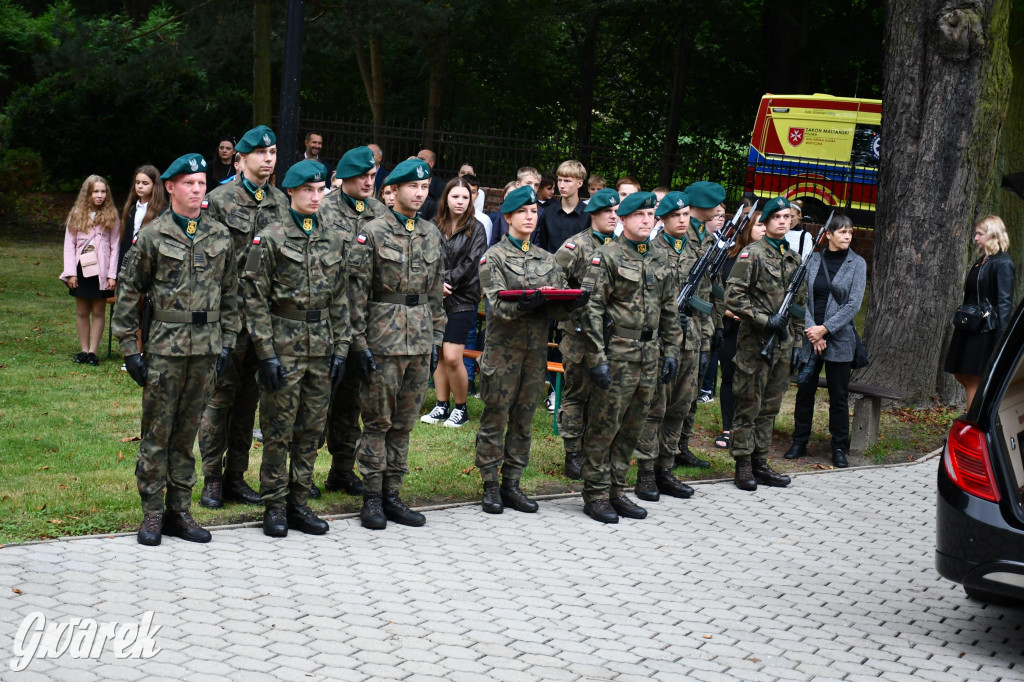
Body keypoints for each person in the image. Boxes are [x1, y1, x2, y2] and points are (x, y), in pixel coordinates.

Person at [113, 153, 239, 546]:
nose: (197, 189)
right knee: (157, 432)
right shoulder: (153, 235)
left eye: (202, 183)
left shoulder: (219, 236)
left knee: (186, 435)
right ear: (170, 187)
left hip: (206, 350)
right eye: (189, 183)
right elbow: (129, 291)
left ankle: (179, 511)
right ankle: (152, 512)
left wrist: (228, 343)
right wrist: (129, 348)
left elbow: (232, 293)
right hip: (165, 349)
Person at [242, 159, 348, 537]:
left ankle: (298, 501)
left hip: (321, 347)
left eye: (321, 190)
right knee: (278, 429)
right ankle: (273, 505)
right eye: (308, 190)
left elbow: (340, 298)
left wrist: (342, 347)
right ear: (291, 191)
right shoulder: (269, 237)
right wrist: (265, 352)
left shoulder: (334, 238)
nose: (316, 196)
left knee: (311, 430)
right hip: (283, 346)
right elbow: (253, 297)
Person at [349, 158, 446, 530]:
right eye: (412, 187)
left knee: (404, 424)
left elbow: (436, 292)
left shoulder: (431, 233)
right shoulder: (372, 232)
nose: (419, 194)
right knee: (378, 421)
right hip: (383, 339)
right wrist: (358, 343)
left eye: (424, 188)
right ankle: (372, 497)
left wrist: (437, 336)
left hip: (420, 339)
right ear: (394, 190)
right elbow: (356, 293)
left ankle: (393, 494)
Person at [198, 125, 290, 509]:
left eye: (272, 152)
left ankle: (237, 476)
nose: (268, 158)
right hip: (228, 317)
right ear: (242, 159)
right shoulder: (219, 200)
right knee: (219, 399)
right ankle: (212, 480)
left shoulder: (281, 202)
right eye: (261, 152)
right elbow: (205, 263)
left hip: (264, 319)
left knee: (250, 399)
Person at [475, 186, 579, 514]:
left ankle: (512, 483)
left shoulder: (546, 259)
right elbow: (497, 305)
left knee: (524, 418)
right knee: (495, 416)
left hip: (534, 353)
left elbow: (559, 307)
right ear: (507, 217)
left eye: (534, 212)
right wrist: (528, 300)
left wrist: (571, 301)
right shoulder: (493, 256)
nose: (529, 217)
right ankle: (490, 483)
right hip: (503, 351)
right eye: (522, 212)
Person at [579, 192, 680, 524]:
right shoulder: (606, 257)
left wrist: (670, 351)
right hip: (617, 354)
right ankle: (595, 494)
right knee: (604, 427)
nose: (646, 220)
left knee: (633, 427)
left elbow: (669, 310)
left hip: (649, 356)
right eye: (639, 214)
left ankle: (617, 490)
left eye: (650, 214)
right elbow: (591, 310)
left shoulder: (660, 258)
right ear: (622, 219)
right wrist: (597, 358)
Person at [315, 146, 389, 497]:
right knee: (316, 399)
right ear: (344, 177)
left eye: (373, 176)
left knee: (351, 400)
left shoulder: (379, 212)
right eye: (363, 176)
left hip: (362, 321)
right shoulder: (324, 209)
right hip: (325, 318)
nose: (369, 182)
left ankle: (342, 470)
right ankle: (299, 473)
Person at [725, 196, 805, 491]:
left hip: (783, 345)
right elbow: (733, 297)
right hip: (754, 344)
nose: (783, 221)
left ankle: (760, 461)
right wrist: (762, 319)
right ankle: (743, 464)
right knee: (749, 404)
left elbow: (799, 305)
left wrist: (797, 343)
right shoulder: (752, 254)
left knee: (770, 407)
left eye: (787, 217)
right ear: (766, 221)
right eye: (777, 217)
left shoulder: (794, 258)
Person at [632, 191, 701, 501]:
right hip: (661, 343)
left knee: (680, 406)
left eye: (686, 214)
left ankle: (666, 468)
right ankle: (645, 472)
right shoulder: (651, 251)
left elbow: (709, 297)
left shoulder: (696, 252)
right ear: (662, 218)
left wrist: (709, 332)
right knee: (655, 408)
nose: (683, 220)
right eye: (676, 215)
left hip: (691, 342)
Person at [783, 213, 867, 468]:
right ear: (828, 234)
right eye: (842, 232)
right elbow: (800, 297)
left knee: (838, 395)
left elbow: (854, 303)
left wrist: (826, 330)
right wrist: (813, 330)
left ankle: (839, 446)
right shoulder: (812, 260)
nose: (847, 236)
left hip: (840, 340)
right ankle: (799, 441)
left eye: (850, 232)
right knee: (805, 391)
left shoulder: (858, 263)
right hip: (810, 340)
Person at [554, 188, 619, 480]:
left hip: (611, 336)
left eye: (617, 211)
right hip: (580, 335)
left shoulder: (621, 246)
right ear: (594, 214)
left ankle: (595, 450)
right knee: (576, 396)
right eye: (608, 211)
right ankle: (573, 453)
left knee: (604, 397)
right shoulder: (575, 246)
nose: (613, 216)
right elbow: (553, 284)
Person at [421, 177, 487, 428]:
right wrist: (436, 283)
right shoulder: (432, 226)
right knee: (437, 353)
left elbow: (472, 263)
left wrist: (446, 281)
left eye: (465, 197)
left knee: (452, 356)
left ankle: (461, 408)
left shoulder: (476, 228)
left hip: (463, 298)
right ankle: (441, 405)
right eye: (455, 196)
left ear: (471, 201)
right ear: (445, 199)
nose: (460, 201)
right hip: (436, 296)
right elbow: (424, 258)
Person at [673, 182, 727, 469]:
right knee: (677, 393)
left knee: (692, 392)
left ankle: (683, 446)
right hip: (682, 327)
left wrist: (717, 325)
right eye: (714, 205)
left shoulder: (708, 237)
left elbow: (712, 287)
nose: (718, 210)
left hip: (702, 327)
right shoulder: (683, 235)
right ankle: (666, 449)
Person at [944, 215, 1016, 409]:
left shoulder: (1003, 263)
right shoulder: (982, 260)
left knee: (973, 378)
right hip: (968, 326)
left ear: (993, 234)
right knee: (961, 374)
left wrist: (1000, 341)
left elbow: (1004, 305)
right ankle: (980, 412)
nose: (975, 238)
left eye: (980, 234)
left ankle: (971, 425)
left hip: (985, 330)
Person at [713, 211, 765, 451]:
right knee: (730, 377)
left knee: (754, 379)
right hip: (732, 326)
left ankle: (748, 427)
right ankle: (727, 427)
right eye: (760, 223)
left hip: (758, 327)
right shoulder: (729, 255)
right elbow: (716, 287)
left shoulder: (771, 257)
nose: (765, 227)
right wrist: (726, 310)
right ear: (748, 228)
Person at [60, 175, 121, 366]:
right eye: (96, 191)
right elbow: (69, 245)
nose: (100, 195)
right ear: (88, 193)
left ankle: (93, 351)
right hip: (81, 268)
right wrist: (70, 272)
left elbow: (115, 246)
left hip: (102, 270)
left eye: (103, 191)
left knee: (99, 310)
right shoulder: (77, 213)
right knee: (82, 311)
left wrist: (112, 275)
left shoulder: (112, 215)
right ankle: (84, 350)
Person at [698, 202, 728, 404]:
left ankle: (705, 389)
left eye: (722, 215)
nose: (718, 217)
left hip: (709, 314)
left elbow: (717, 289)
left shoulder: (719, 244)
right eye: (715, 214)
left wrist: (718, 323)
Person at [118, 166, 167, 272]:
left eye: (145, 183)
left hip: (149, 268)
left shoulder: (162, 213)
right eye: (137, 182)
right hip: (128, 267)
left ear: (154, 186)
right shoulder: (131, 209)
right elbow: (124, 243)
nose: (140, 186)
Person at [535, 161, 590, 253]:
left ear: (580, 183)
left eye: (567, 181)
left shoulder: (589, 215)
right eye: (559, 180)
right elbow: (542, 245)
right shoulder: (548, 213)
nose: (562, 185)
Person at [417, 148, 446, 220]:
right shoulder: (408, 180)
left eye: (422, 159)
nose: (418, 162)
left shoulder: (440, 185)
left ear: (431, 164)